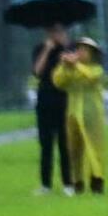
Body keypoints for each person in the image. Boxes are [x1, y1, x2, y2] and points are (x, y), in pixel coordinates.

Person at [52, 37, 108, 195]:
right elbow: (58, 82)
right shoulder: (71, 69)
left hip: (92, 114)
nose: (81, 52)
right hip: (73, 113)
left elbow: (90, 77)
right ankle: (77, 181)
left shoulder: (96, 69)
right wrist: (65, 66)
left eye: (85, 50)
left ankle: (97, 179)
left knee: (94, 147)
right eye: (79, 49)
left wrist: (76, 64)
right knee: (74, 149)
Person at [31, 24, 75, 196]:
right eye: (52, 31)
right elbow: (37, 71)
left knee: (65, 144)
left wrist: (66, 53)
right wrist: (47, 50)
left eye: (59, 31)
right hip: (44, 100)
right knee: (45, 144)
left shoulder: (70, 49)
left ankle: (68, 184)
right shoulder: (40, 49)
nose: (55, 34)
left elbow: (77, 71)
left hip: (64, 100)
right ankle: (45, 184)